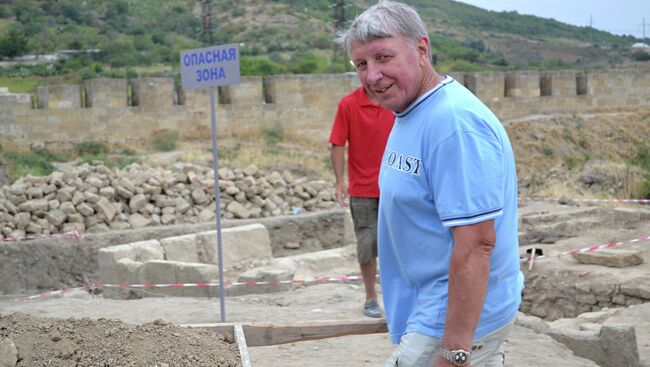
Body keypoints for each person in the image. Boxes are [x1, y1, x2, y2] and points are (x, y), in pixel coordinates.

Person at [336, 1, 524, 366]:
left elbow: (477, 244)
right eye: (362, 64)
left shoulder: (453, 123)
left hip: (449, 320)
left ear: (421, 49)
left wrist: (454, 352)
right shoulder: (410, 111)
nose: (372, 75)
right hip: (431, 307)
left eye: (383, 57)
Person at [329, 85, 395, 318]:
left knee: (400, 245)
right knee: (367, 244)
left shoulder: (396, 101)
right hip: (363, 190)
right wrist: (339, 182)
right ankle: (370, 297)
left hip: (396, 188)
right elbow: (337, 143)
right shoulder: (349, 104)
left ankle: (400, 298)